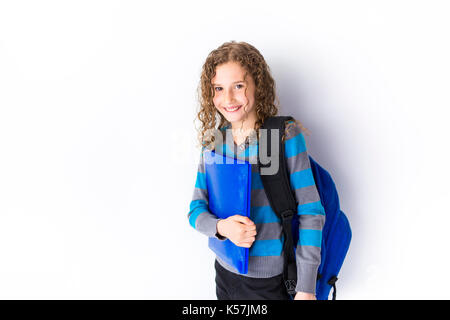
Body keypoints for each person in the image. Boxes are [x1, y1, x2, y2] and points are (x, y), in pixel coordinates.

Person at [188, 41, 325, 300]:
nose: (228, 99)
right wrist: (222, 228)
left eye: (238, 86)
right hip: (225, 272)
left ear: (257, 86)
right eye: (219, 88)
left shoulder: (280, 136)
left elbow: (311, 212)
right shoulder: (215, 140)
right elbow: (195, 210)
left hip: (270, 282)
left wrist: (306, 287)